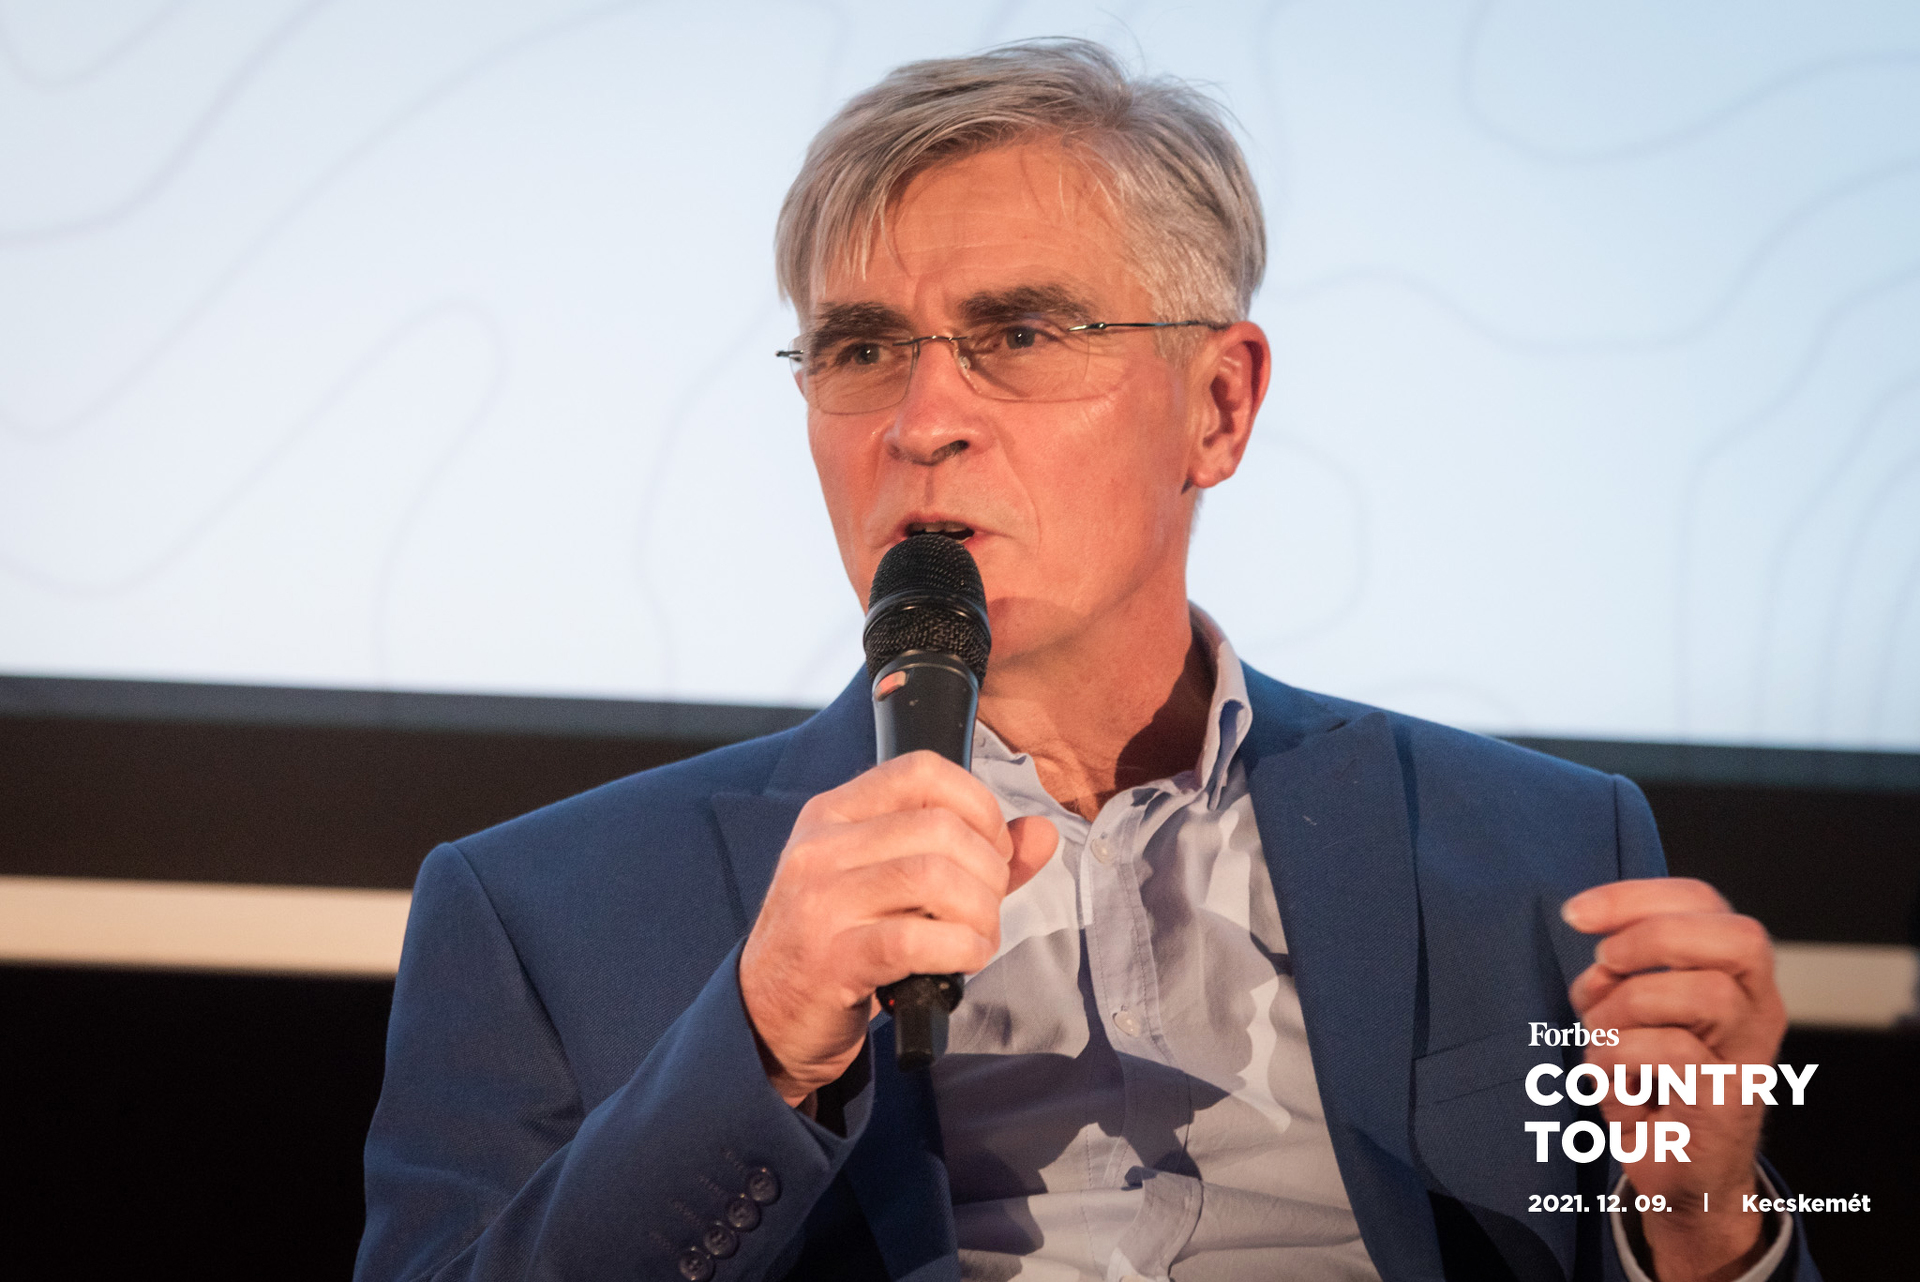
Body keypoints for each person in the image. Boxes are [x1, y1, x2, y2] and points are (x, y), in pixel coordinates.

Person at [356, 40, 1819, 1282]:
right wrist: (758, 1041)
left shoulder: (1542, 851)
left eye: (1019, 332)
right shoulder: (540, 912)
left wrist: (1706, 1219)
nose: (921, 420)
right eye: (860, 349)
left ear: (1219, 407)